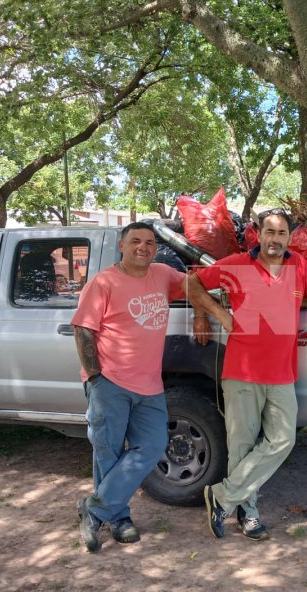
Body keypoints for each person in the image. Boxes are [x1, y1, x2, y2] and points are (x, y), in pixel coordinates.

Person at [193, 208, 307, 540]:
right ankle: (249, 515)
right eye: (269, 232)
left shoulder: (299, 266)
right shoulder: (236, 265)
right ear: (258, 234)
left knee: (283, 440)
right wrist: (212, 313)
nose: (275, 239)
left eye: (282, 233)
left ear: (289, 237)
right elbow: (193, 282)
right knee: (242, 445)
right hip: (242, 371)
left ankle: (223, 496)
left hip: (282, 372)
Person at [71, 222, 211, 553]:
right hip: (110, 382)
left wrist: (201, 315)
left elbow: (195, 283)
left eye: (149, 242)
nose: (143, 247)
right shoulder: (103, 282)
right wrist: (95, 376)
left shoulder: (162, 274)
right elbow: (83, 330)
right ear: (122, 245)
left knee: (152, 445)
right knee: (108, 450)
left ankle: (94, 509)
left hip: (149, 384)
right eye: (136, 241)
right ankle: (119, 519)